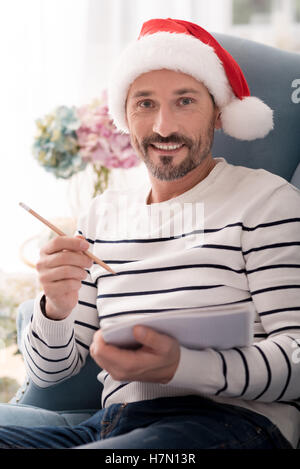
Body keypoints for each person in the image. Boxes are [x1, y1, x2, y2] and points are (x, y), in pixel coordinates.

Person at [0, 18, 299, 449]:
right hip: (112, 422)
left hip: (231, 423)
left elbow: (297, 355)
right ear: (125, 115)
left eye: (184, 101)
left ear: (218, 113)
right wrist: (56, 307)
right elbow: (50, 374)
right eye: (145, 104)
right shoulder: (102, 215)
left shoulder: (268, 201)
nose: (163, 127)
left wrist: (183, 366)